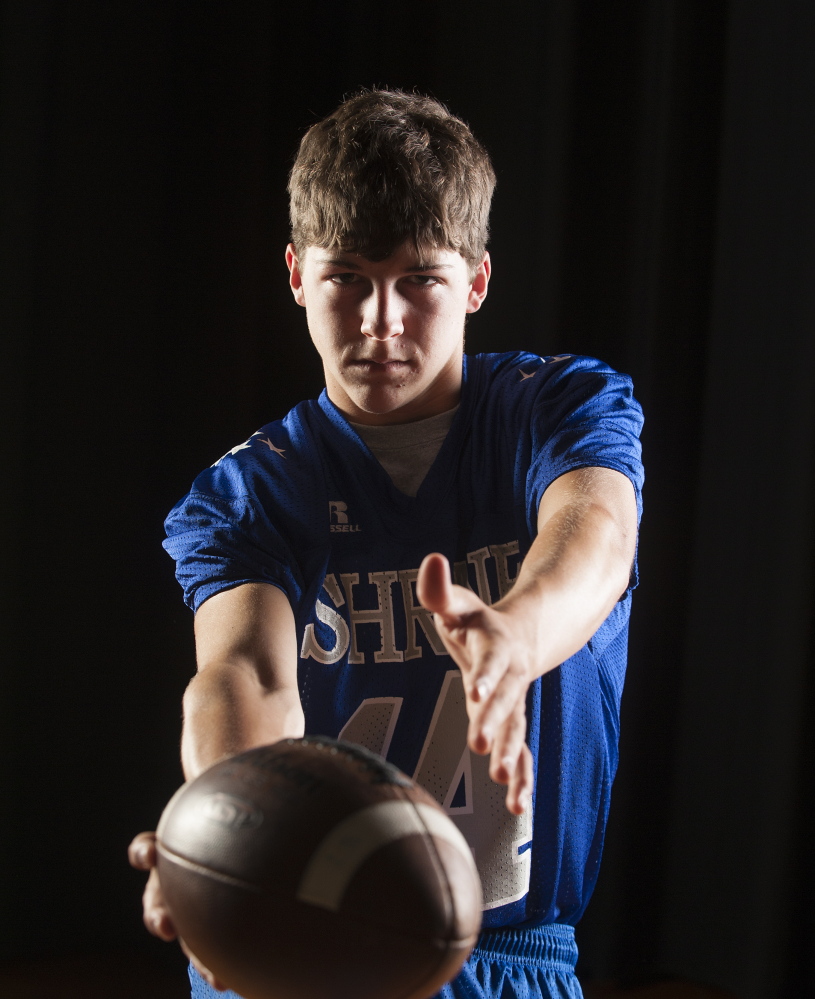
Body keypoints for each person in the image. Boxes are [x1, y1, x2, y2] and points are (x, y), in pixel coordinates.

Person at [129, 88, 643, 999]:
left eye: (419, 280)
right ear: (296, 274)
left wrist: (516, 636)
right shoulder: (252, 489)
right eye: (347, 279)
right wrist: (219, 819)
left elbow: (593, 530)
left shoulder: (555, 409)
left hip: (503, 951)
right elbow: (244, 673)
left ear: (476, 281)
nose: (380, 322)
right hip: (294, 948)